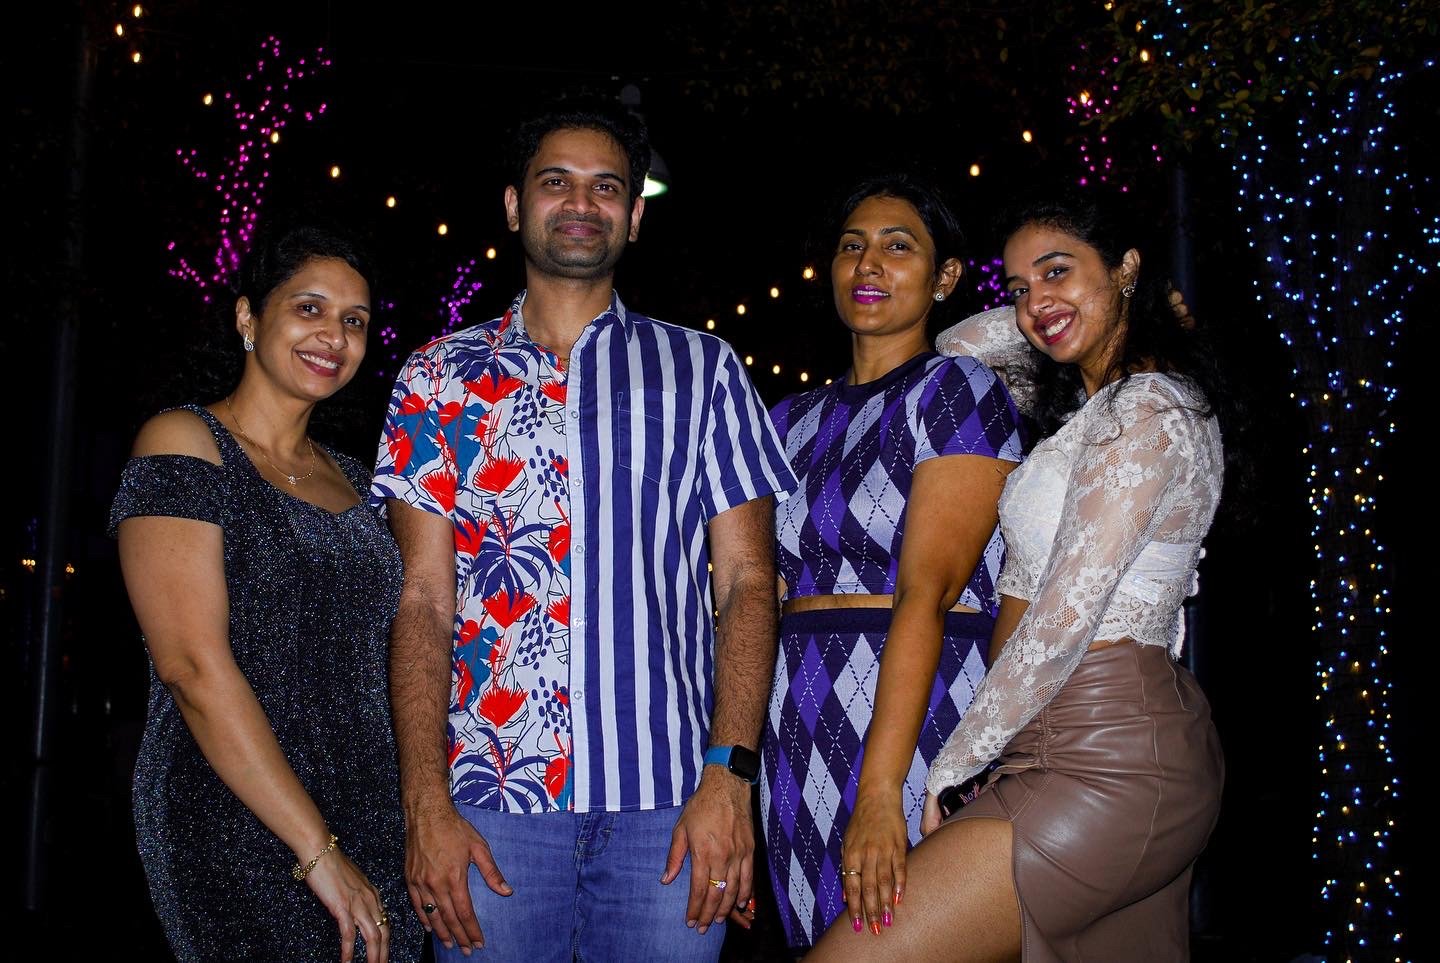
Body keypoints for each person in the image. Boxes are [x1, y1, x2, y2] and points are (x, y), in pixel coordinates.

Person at [371, 99, 798, 962]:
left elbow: (749, 583)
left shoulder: (704, 368)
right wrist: (424, 804)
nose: (580, 202)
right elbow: (421, 600)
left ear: (635, 215)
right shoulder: (436, 376)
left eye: (606, 187)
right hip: (487, 806)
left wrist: (730, 779)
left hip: (671, 803)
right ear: (513, 205)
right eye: (555, 181)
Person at [808, 187, 1231, 962]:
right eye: (1020, 287)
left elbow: (1063, 617)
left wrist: (952, 766)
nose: (1036, 303)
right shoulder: (1097, 406)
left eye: (1058, 271)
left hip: (1108, 750)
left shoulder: (1150, 412)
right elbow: (957, 344)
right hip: (1061, 739)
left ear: (1125, 266)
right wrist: (1075, 301)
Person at [109, 223, 422, 963]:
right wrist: (318, 850)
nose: (334, 336)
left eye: (354, 321)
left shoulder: (362, 480)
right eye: (309, 308)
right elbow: (191, 668)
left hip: (374, 814)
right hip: (237, 815)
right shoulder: (183, 442)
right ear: (249, 317)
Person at [760, 174, 1025, 949]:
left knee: (894, 940)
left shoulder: (958, 390)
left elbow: (926, 593)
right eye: (852, 246)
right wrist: (734, 786)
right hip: (795, 716)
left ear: (946, 278)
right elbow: (753, 599)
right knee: (818, 937)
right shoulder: (785, 419)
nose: (868, 264)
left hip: (915, 710)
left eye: (897, 246)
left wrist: (881, 791)